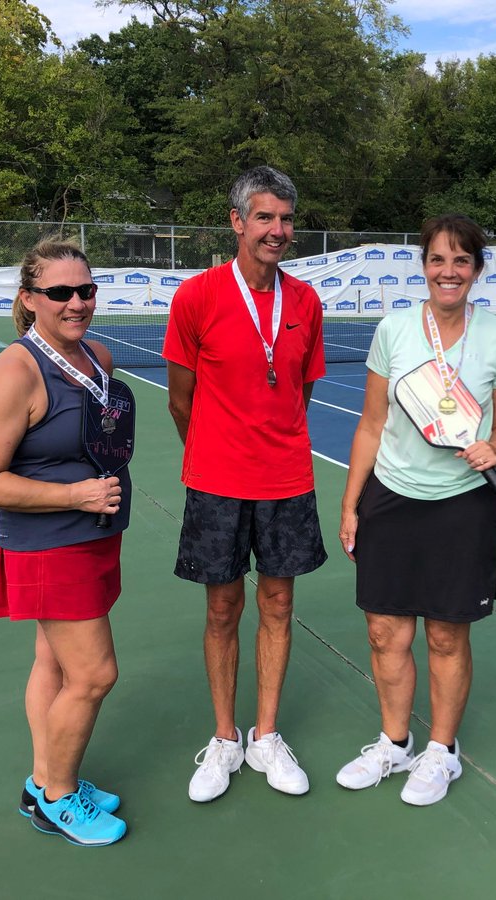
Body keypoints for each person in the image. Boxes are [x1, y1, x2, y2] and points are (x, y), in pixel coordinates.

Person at [336, 214, 496, 806]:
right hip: (390, 496)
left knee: (445, 636)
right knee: (386, 632)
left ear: (476, 270)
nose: (448, 271)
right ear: (424, 266)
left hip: (463, 504)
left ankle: (441, 752)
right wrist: (351, 505)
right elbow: (371, 424)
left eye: (461, 261)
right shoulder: (393, 329)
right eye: (438, 260)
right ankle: (394, 742)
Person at [0, 240, 130, 847]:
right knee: (94, 675)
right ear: (30, 300)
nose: (77, 302)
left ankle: (43, 778)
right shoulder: (14, 372)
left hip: (92, 539)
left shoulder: (97, 357)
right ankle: (58, 797)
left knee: (53, 663)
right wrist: (75, 497)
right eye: (60, 292)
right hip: (48, 544)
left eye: (85, 290)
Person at [164, 166, 327, 802]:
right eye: (264, 217)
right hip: (216, 482)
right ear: (237, 222)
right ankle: (226, 738)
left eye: (286, 219)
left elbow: (300, 393)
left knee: (279, 606)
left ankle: (266, 736)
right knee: (223, 608)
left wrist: (268, 444)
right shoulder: (197, 297)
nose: (277, 230)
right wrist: (215, 454)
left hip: (286, 479)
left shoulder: (306, 302)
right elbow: (181, 401)